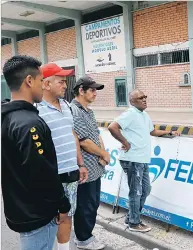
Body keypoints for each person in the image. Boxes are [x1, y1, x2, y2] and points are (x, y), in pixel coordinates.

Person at [1, 55, 71, 250]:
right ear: (29, 81)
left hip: (19, 209)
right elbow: (43, 174)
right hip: (37, 214)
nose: (43, 85)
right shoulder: (29, 123)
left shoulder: (7, 117)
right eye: (41, 81)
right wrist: (62, 205)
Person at [108, 89, 180, 232]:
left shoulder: (144, 114)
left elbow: (152, 132)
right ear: (132, 101)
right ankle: (134, 223)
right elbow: (112, 127)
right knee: (136, 192)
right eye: (141, 98)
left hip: (143, 159)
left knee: (145, 189)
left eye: (145, 97)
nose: (145, 99)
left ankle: (130, 217)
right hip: (132, 160)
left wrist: (169, 132)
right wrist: (125, 142)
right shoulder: (130, 113)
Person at [37, 63, 89, 250]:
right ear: (45, 84)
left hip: (70, 172)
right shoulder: (35, 109)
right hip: (49, 175)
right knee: (47, 219)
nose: (65, 86)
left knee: (67, 216)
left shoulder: (66, 106)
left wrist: (80, 164)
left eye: (65, 82)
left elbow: (72, 134)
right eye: (61, 81)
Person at [70, 76, 108, 250]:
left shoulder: (88, 111)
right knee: (85, 205)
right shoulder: (74, 111)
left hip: (96, 166)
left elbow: (96, 134)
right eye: (92, 90)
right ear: (81, 90)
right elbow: (83, 141)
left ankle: (87, 236)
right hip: (85, 168)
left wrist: (103, 152)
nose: (95, 94)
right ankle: (83, 239)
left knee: (93, 203)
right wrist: (102, 153)